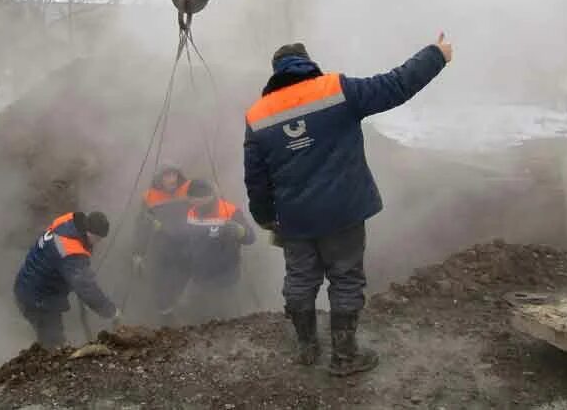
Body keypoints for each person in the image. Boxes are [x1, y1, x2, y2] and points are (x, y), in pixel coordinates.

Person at [243, 34, 453, 376]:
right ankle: (344, 358)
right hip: (343, 211)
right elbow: (396, 84)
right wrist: (437, 55)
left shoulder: (257, 115)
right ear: (308, 64)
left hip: (295, 219)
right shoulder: (335, 90)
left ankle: (307, 348)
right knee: (345, 279)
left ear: (275, 73)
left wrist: (266, 218)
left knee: (300, 280)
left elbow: (256, 177)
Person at [14, 211, 120, 348]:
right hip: (38, 299)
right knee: (55, 345)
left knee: (52, 336)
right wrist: (111, 311)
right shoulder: (71, 252)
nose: (98, 243)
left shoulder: (69, 220)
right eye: (98, 239)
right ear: (89, 233)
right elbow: (86, 289)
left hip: (29, 283)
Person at [181, 179, 255, 321]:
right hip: (199, 277)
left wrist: (239, 231)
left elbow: (250, 238)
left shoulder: (230, 211)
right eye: (193, 199)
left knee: (227, 318)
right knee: (196, 316)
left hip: (225, 278)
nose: (196, 203)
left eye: (200, 199)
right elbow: (189, 240)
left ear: (210, 196)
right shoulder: (191, 213)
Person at [131, 164, 192, 325]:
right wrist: (138, 253)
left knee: (184, 286)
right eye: (167, 175)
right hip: (162, 250)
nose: (171, 179)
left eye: (174, 174)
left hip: (186, 248)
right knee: (161, 288)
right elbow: (142, 226)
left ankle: (187, 319)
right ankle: (168, 323)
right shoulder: (150, 197)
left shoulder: (188, 191)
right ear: (159, 178)